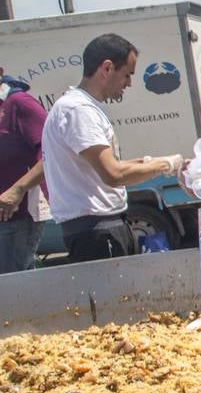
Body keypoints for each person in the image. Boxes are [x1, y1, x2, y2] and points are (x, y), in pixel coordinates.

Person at [41, 34, 183, 262]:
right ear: (107, 68)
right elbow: (113, 174)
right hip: (96, 231)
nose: (129, 83)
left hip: (99, 227)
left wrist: (150, 162)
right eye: (127, 74)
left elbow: (106, 165)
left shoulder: (80, 107)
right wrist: (164, 165)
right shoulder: (79, 110)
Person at [0, 70, 48, 273]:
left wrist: (17, 190)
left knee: (11, 287)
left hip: (16, 220)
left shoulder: (19, 103)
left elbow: (54, 152)